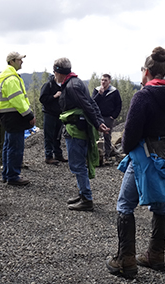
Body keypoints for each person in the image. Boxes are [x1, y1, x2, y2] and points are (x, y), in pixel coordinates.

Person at [105, 47, 165, 279]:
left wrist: (124, 150)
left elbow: (130, 133)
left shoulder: (143, 95)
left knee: (124, 205)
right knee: (159, 205)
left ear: (147, 71)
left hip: (144, 156)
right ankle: (155, 255)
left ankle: (125, 261)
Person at [53, 57, 109, 211]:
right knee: (78, 164)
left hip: (76, 130)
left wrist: (98, 123)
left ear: (59, 71)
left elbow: (88, 105)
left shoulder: (71, 86)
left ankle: (86, 198)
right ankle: (82, 193)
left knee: (77, 165)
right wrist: (98, 121)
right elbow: (92, 103)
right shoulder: (75, 82)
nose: (54, 75)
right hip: (77, 128)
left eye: (54, 71)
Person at [0, 51, 35, 186]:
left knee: (8, 145)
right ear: (12, 61)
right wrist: (29, 114)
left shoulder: (6, 78)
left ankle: (7, 174)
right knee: (15, 147)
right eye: (19, 59)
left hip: (8, 117)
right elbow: (17, 100)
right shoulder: (12, 79)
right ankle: (13, 176)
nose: (22, 61)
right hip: (14, 117)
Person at [92, 74, 122, 161]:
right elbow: (92, 102)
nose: (103, 82)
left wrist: (114, 116)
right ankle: (94, 154)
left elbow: (119, 104)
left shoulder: (114, 91)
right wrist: (99, 94)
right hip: (97, 117)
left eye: (105, 80)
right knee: (94, 135)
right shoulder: (96, 90)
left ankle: (107, 155)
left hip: (108, 117)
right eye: (102, 80)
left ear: (109, 81)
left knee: (107, 136)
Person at [40, 74, 66, 165]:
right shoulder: (48, 85)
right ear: (56, 74)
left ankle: (58, 155)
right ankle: (48, 156)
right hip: (49, 114)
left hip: (60, 114)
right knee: (49, 136)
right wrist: (54, 96)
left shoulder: (64, 85)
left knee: (57, 136)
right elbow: (42, 98)